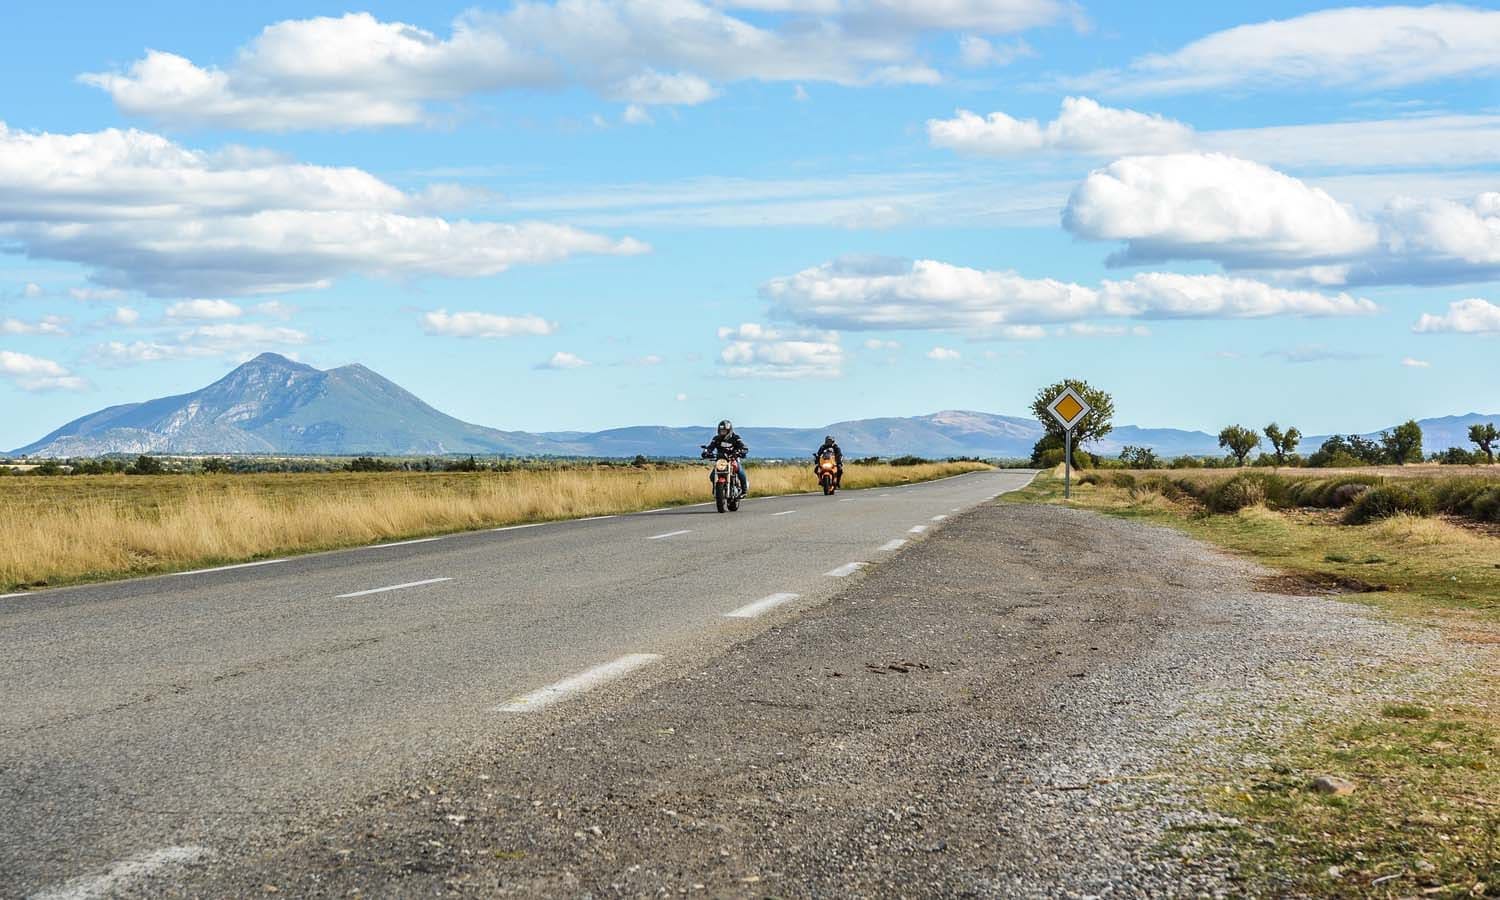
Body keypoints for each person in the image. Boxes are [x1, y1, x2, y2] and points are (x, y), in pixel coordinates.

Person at [702, 419, 748, 494]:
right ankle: (716, 489)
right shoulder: (716, 439)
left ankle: (744, 490)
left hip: (733, 459)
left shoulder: (736, 438)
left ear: (729, 430)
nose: (722, 432)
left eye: (724, 431)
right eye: (721, 431)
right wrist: (706, 452)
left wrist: (742, 451)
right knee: (712, 476)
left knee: (740, 472)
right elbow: (711, 447)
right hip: (721, 461)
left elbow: (742, 446)